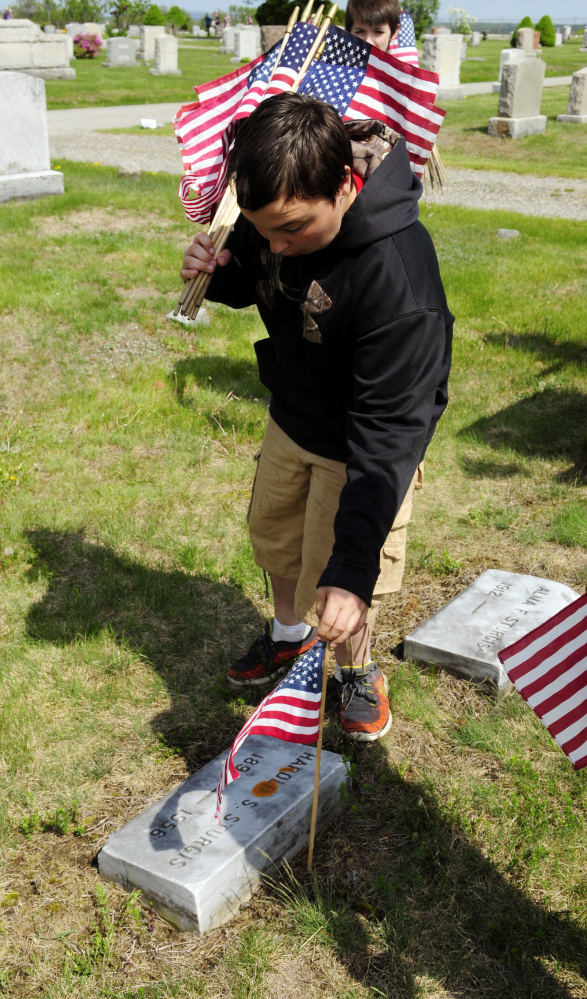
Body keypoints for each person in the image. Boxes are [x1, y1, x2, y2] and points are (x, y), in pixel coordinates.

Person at [181, 94, 453, 741]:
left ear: (343, 184)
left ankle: (355, 672)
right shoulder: (279, 201)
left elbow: (389, 436)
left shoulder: (398, 281)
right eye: (262, 226)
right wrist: (220, 275)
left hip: (359, 445)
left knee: (336, 580)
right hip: (290, 416)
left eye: (292, 230)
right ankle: (285, 633)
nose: (278, 244)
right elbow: (256, 270)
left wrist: (353, 573)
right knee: (274, 534)